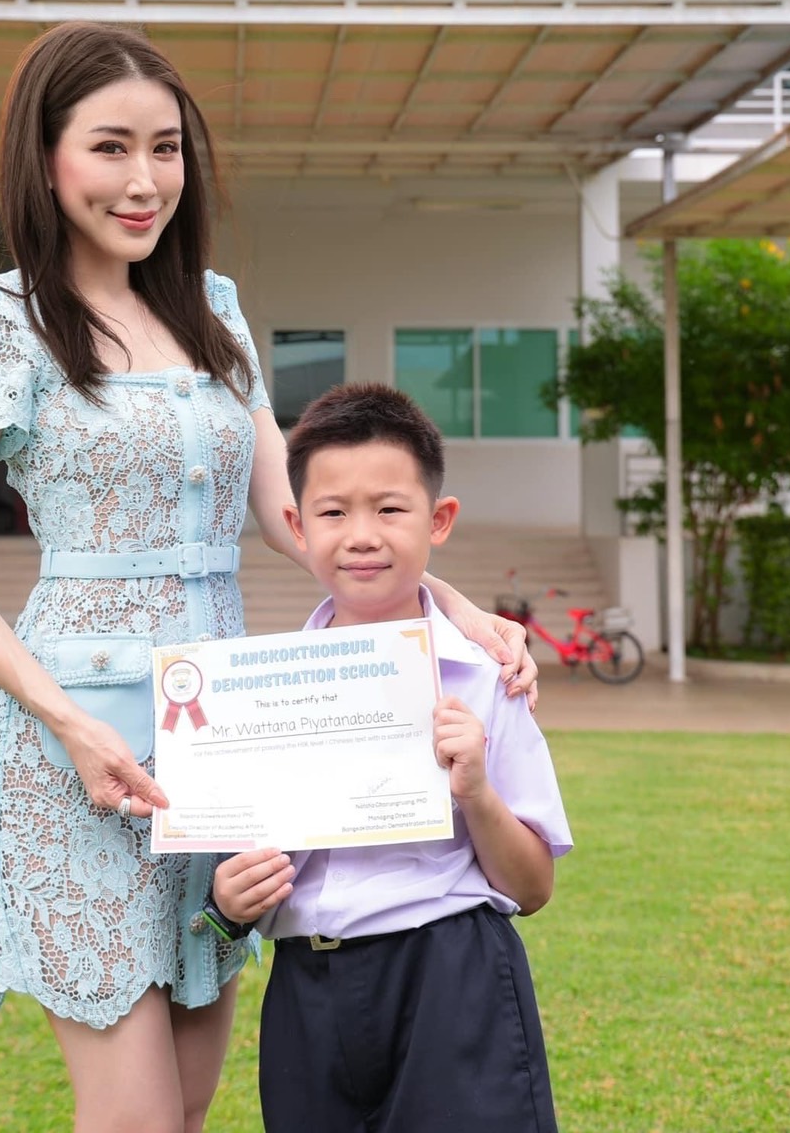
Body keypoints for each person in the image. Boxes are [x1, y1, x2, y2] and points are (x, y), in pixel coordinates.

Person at [0, 22, 537, 1133]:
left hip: (226, 744)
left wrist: (457, 604)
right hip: (74, 756)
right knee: (135, 1117)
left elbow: (298, 517)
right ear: (44, 157)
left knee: (189, 1105)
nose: (143, 181)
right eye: (109, 147)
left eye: (165, 149)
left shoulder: (213, 308)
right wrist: (66, 724)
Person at [211, 383, 571, 1133]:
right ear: (296, 526)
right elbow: (242, 869)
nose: (362, 536)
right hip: (308, 991)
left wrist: (476, 792)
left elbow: (533, 887)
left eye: (390, 509)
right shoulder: (256, 696)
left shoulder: (487, 678)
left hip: (452, 977)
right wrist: (233, 899)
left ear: (439, 520)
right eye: (333, 513)